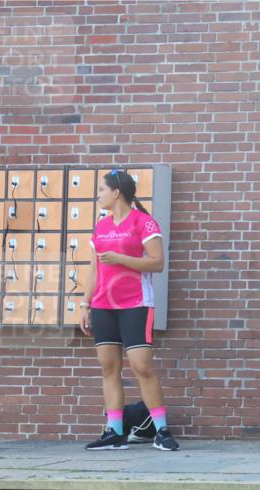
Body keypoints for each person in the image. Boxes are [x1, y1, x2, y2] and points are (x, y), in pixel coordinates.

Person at [80, 168, 180, 452]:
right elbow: (93, 268)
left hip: (136, 304)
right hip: (102, 306)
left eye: (101, 189)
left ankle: (161, 431)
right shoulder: (101, 227)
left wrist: (121, 258)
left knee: (142, 366)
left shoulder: (144, 223)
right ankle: (114, 432)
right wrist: (85, 304)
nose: (98, 194)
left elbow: (157, 263)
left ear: (116, 192)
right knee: (108, 368)